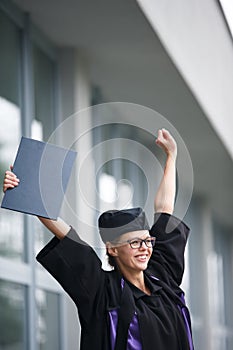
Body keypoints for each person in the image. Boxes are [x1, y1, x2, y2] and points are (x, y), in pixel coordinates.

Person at [3, 129, 194, 350]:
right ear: (112, 249)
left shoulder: (163, 276)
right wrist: (26, 189)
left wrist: (171, 155)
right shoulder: (101, 291)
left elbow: (164, 209)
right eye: (134, 243)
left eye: (147, 241)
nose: (145, 249)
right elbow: (67, 235)